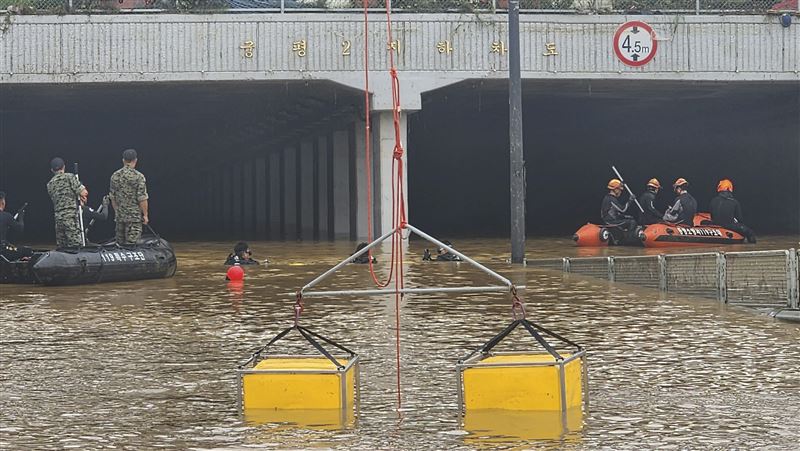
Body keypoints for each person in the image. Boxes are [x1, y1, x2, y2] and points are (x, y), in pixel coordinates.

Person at [109, 148, 149, 245]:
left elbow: (112, 197)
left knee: (120, 246)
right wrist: (145, 215)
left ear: (123, 160)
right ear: (135, 160)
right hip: (134, 218)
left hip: (120, 217)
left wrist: (117, 212)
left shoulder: (115, 176)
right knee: (132, 246)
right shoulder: (139, 176)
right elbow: (142, 198)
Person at [47, 157, 88, 248]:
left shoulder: (50, 184)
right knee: (75, 245)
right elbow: (84, 192)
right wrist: (81, 197)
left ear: (52, 170)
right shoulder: (69, 177)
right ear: (64, 167)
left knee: (62, 246)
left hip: (58, 217)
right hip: (70, 216)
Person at [710, 179, 756, 243]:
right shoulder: (734, 202)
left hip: (715, 224)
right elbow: (740, 218)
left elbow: (712, 216)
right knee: (750, 232)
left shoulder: (713, 201)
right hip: (729, 225)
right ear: (730, 189)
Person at [0, 192, 33, 261]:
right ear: (2, 202)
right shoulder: (6, 216)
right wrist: (21, 217)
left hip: (4, 246)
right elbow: (20, 228)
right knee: (27, 251)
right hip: (2, 250)